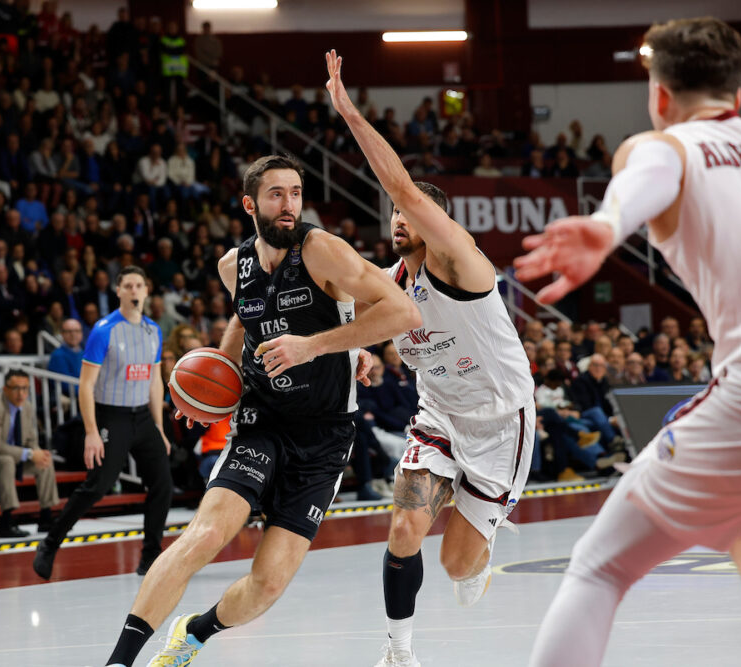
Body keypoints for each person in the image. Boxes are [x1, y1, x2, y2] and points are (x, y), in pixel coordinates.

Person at [512, 17, 741, 666]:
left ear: (659, 97)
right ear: (739, 93)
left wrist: (606, 222)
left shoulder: (665, 146)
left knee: (598, 568)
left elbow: (648, 168)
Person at [103, 154, 419, 667]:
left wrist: (320, 346)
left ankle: (194, 632)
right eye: (277, 194)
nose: (289, 204)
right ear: (250, 203)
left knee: (269, 583)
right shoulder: (234, 265)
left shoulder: (323, 251)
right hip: (261, 423)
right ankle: (119, 661)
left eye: (296, 193)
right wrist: (211, 384)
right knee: (204, 534)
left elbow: (403, 310)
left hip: (324, 437)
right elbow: (245, 320)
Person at [324, 51, 536, 666]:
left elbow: (400, 186)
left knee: (456, 566)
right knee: (403, 529)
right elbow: (362, 314)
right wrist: (362, 345)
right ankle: (399, 650)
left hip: (501, 421)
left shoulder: (463, 262)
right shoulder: (392, 281)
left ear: (433, 218)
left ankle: (484, 547)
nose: (396, 217)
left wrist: (349, 111)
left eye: (408, 210)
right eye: (392, 213)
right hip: (440, 416)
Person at [33, 266, 172, 581]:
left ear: (147, 291)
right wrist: (92, 432)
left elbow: (154, 382)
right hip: (112, 415)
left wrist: (159, 430)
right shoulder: (104, 329)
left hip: (141, 416)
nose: (135, 291)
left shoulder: (153, 330)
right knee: (98, 485)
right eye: (129, 286)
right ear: (119, 291)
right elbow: (85, 385)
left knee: (162, 483)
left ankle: (151, 557)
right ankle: (50, 542)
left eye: (140, 285)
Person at [0, 369, 59, 538]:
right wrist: (29, 454)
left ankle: (46, 517)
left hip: (18, 455)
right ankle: (6, 522)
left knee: (44, 460)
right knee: (6, 461)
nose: (21, 393)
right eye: (16, 388)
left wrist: (37, 453)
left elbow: (31, 439)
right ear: (5, 389)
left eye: (25, 388)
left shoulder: (27, 407)